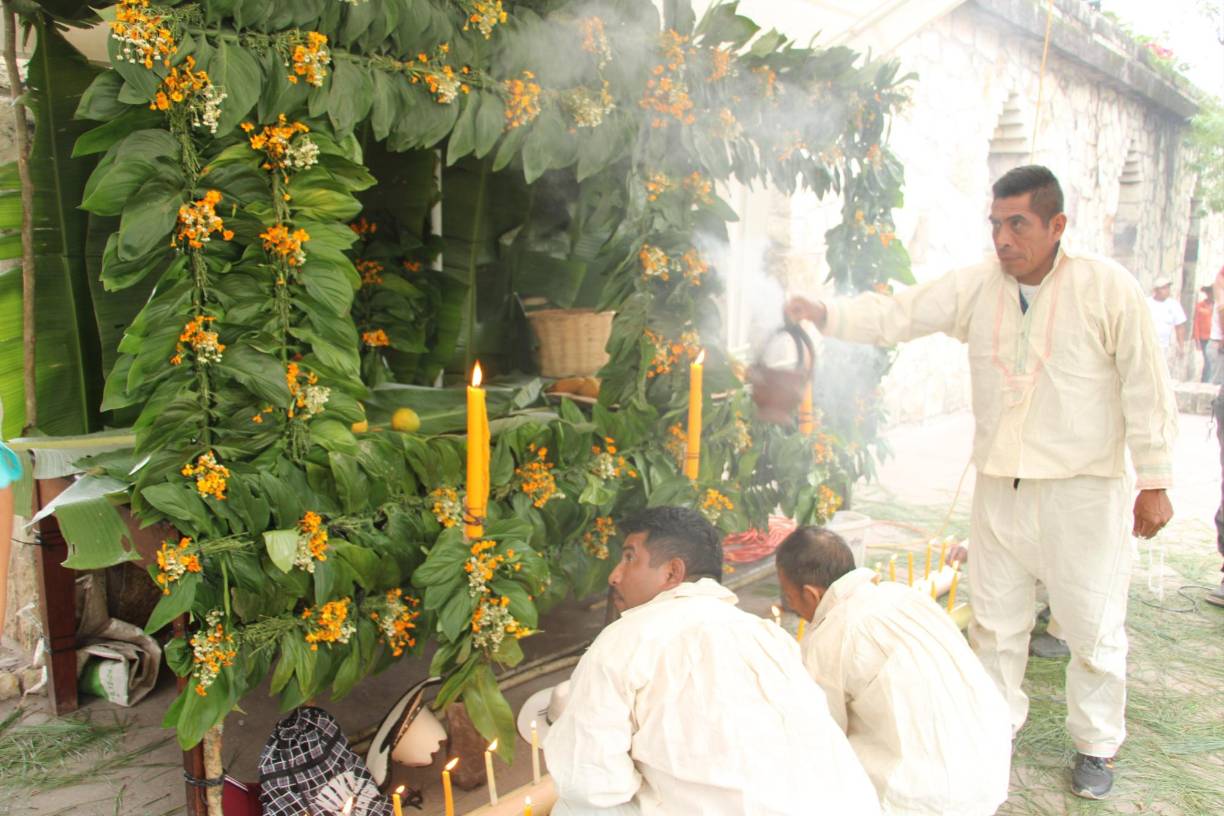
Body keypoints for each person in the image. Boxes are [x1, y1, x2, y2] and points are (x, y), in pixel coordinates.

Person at [786, 165, 1178, 800]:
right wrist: (827, 313)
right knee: (995, 626)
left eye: (1017, 224)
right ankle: (993, 730)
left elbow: (1145, 382)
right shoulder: (978, 287)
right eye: (995, 224)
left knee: (1093, 626)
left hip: (1084, 489)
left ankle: (1096, 744)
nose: (1002, 239)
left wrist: (1154, 478)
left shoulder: (1109, 288)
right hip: (1000, 487)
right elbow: (898, 314)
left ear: (1057, 226)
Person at [544, 506, 880, 816]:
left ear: (672, 572)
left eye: (629, 558)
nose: (614, 576)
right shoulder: (767, 635)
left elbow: (588, 783)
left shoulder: (625, 639)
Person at [776, 527, 1011, 815]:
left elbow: (822, 735)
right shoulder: (905, 596)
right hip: (990, 770)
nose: (790, 606)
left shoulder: (831, 633)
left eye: (789, 597)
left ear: (811, 595)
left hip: (922, 800)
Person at [1146, 277, 1187, 376]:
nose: (1167, 291)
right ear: (1156, 290)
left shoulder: (1173, 304)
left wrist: (1181, 346)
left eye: (1168, 288)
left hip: (1164, 347)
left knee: (1162, 373)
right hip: (1147, 345)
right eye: (1163, 288)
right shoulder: (1146, 302)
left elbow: (1180, 326)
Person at [1194, 285, 1215, 383]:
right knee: (1208, 360)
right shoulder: (1200, 306)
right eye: (1210, 292)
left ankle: (1212, 380)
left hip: (1215, 338)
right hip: (1204, 338)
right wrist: (1197, 339)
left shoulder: (1220, 306)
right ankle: (1205, 381)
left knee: (1214, 360)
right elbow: (1196, 323)